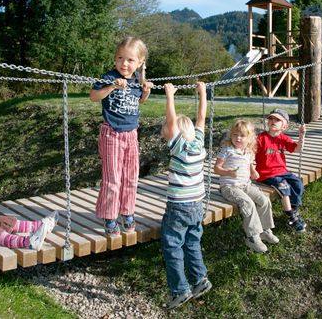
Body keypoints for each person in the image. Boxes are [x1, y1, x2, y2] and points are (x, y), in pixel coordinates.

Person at [90, 37, 154, 236]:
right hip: (112, 133)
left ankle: (127, 212)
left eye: (130, 60)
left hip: (131, 135)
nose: (124, 64)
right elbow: (93, 96)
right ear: (114, 59)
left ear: (140, 62)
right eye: (120, 58)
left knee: (131, 176)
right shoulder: (109, 77)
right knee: (113, 177)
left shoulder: (136, 80)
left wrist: (146, 91)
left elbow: (139, 102)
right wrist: (112, 87)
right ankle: (110, 216)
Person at [160, 82, 213, 310]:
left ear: (175, 134)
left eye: (165, 128)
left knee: (172, 244)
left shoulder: (178, 146)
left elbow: (171, 122)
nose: (164, 130)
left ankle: (180, 289)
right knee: (192, 241)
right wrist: (202, 92)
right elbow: (201, 117)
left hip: (179, 207)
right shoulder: (198, 144)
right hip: (197, 205)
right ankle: (200, 279)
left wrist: (170, 95)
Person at [214, 119, 279, 253]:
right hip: (229, 187)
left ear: (249, 138)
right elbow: (216, 168)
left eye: (242, 136)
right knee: (248, 203)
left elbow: (249, 164)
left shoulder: (248, 151)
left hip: (245, 184)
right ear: (230, 135)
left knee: (264, 200)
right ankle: (252, 237)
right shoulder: (227, 150)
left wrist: (253, 171)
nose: (238, 138)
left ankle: (265, 230)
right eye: (235, 135)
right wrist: (228, 172)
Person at [255, 108, 307, 233]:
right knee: (284, 187)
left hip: (282, 171)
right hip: (266, 173)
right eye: (271, 118)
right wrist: (250, 170)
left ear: (284, 125)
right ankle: (291, 216)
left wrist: (301, 136)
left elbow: (298, 149)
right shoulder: (261, 138)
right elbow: (250, 153)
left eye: (277, 119)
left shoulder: (283, 138)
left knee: (298, 184)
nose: (273, 121)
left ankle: (294, 210)